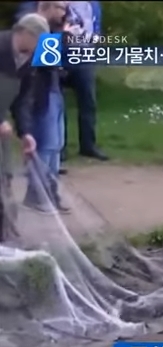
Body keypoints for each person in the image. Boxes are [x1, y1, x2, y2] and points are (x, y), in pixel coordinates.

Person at [0, 14, 48, 241]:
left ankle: (5, 238)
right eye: (39, 41)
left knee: (4, 178)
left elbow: (22, 100)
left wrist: (26, 132)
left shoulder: (28, 61)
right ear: (25, 33)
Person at [23, 2, 71, 214]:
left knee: (56, 145)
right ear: (48, 6)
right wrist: (62, 36)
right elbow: (45, 61)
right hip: (40, 93)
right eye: (60, 7)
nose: (64, 13)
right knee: (46, 145)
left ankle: (50, 192)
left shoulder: (52, 30)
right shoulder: (35, 27)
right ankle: (37, 194)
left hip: (54, 90)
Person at [63, 1, 108, 162]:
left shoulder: (93, 4)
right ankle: (59, 147)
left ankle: (88, 145)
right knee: (56, 103)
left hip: (84, 56)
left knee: (88, 103)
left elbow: (95, 25)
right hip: (60, 54)